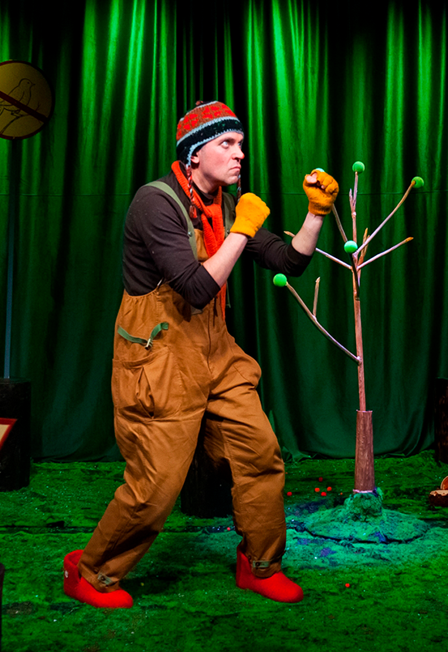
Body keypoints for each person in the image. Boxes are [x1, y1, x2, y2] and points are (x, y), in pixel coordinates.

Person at [63, 100, 339, 608]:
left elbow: (290, 261)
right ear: (194, 154)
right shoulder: (155, 202)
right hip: (161, 360)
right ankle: (91, 572)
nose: (240, 155)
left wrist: (315, 214)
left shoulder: (225, 204)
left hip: (218, 353)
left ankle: (260, 564)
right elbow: (195, 288)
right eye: (226, 144)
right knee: (156, 485)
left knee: (259, 455)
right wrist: (241, 230)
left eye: (241, 144)